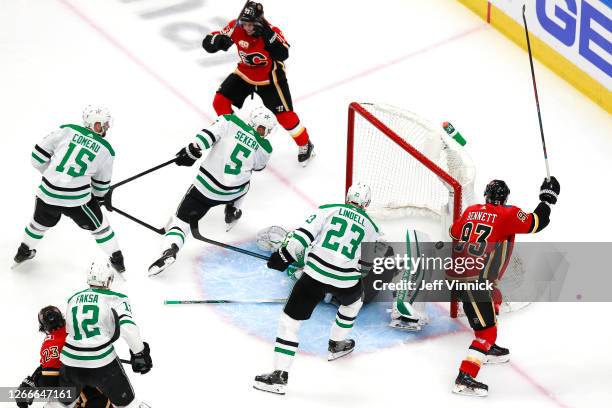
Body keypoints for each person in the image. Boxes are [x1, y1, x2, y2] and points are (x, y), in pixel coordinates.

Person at [253, 183, 381, 395]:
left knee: (290, 322)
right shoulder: (372, 228)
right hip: (346, 281)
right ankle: (337, 344)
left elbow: (302, 237)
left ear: (347, 197)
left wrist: (284, 257)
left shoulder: (328, 209)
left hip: (313, 277)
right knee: (353, 303)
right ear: (367, 204)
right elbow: (365, 267)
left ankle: (279, 376)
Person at [448, 177, 560, 397]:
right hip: (475, 283)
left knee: (495, 296)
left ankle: (487, 350)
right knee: (487, 333)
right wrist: (547, 199)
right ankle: (465, 376)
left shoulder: (471, 210)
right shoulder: (507, 214)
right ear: (505, 198)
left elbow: (454, 232)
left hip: (461, 274)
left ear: (486, 196)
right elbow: (537, 222)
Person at [148, 107, 275, 276]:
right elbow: (258, 166)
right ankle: (232, 209)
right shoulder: (266, 147)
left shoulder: (230, 121)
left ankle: (170, 250)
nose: (265, 133)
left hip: (205, 189)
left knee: (181, 222)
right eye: (265, 130)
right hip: (233, 192)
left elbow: (207, 135)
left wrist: (193, 149)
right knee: (245, 181)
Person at [13, 106, 125, 274]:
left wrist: (55, 176)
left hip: (47, 194)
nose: (107, 127)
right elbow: (101, 187)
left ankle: (23, 252)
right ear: (94, 124)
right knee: (101, 227)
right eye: (104, 124)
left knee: (38, 224)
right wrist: (99, 198)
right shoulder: (106, 150)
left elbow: (36, 159)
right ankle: (117, 259)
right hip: (77, 201)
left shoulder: (65, 130)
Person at [202, 1, 315, 166]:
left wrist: (269, 39)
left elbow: (283, 54)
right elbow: (207, 43)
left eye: (251, 24)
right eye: (244, 23)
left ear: (259, 22)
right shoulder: (235, 27)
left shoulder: (271, 31)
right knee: (220, 102)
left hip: (271, 79)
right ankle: (231, 134)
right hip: (244, 74)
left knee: (286, 117)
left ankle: (305, 144)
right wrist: (217, 41)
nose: (247, 28)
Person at [58, 261, 152, 408]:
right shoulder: (116, 298)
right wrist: (140, 354)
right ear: (108, 279)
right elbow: (128, 328)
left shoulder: (73, 298)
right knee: (128, 404)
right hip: (102, 365)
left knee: (62, 404)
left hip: (70, 363)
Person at [14, 306, 111, 408]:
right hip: (104, 394)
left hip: (90, 398)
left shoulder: (51, 342)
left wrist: (34, 382)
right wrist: (33, 380)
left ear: (43, 327)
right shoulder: (77, 329)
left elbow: (49, 383)